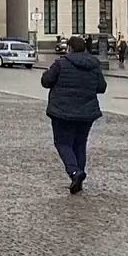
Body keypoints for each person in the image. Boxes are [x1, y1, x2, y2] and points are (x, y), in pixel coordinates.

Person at [41, 36, 106, 194]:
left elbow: (46, 81)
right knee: (80, 144)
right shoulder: (94, 65)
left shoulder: (61, 64)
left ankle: (75, 172)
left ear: (69, 48)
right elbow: (101, 87)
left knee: (63, 143)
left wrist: (46, 73)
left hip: (62, 112)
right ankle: (78, 178)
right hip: (86, 112)